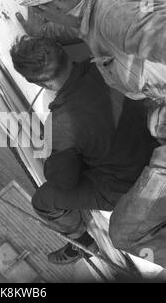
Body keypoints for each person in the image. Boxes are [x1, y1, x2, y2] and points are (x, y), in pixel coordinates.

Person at [10, 36, 158, 264]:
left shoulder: (60, 124)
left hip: (126, 185)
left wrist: (54, 154)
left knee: (44, 201)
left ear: (41, 84)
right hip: (156, 149)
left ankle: (83, 243)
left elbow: (64, 181)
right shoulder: (108, 65)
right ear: (65, 54)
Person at [17, 0, 166, 105]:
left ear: (53, 7)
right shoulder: (96, 6)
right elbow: (77, 26)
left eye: (40, 13)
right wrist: (43, 32)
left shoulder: (117, 13)